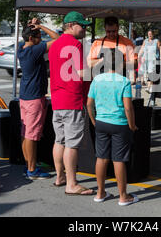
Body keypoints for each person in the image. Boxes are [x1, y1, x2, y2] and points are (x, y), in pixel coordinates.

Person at [48, 11, 94, 195]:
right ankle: (72, 184)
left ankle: (60, 177)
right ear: (70, 25)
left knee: (60, 140)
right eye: (81, 25)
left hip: (57, 98)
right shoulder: (74, 44)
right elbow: (82, 73)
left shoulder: (54, 45)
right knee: (72, 144)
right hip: (72, 98)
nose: (84, 29)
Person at [87, 48, 139, 206]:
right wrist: (132, 125)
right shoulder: (123, 81)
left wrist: (94, 120)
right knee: (119, 160)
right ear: (121, 62)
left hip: (101, 122)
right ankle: (123, 196)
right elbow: (128, 107)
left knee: (101, 158)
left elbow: (89, 104)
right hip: (120, 124)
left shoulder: (97, 80)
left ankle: (100, 192)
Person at [18, 19, 59, 180]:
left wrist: (32, 25)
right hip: (35, 97)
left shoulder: (21, 49)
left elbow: (29, 36)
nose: (41, 39)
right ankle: (32, 169)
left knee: (25, 132)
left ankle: (29, 164)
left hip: (25, 96)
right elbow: (57, 38)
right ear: (31, 38)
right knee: (32, 135)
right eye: (38, 36)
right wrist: (41, 26)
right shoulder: (34, 51)